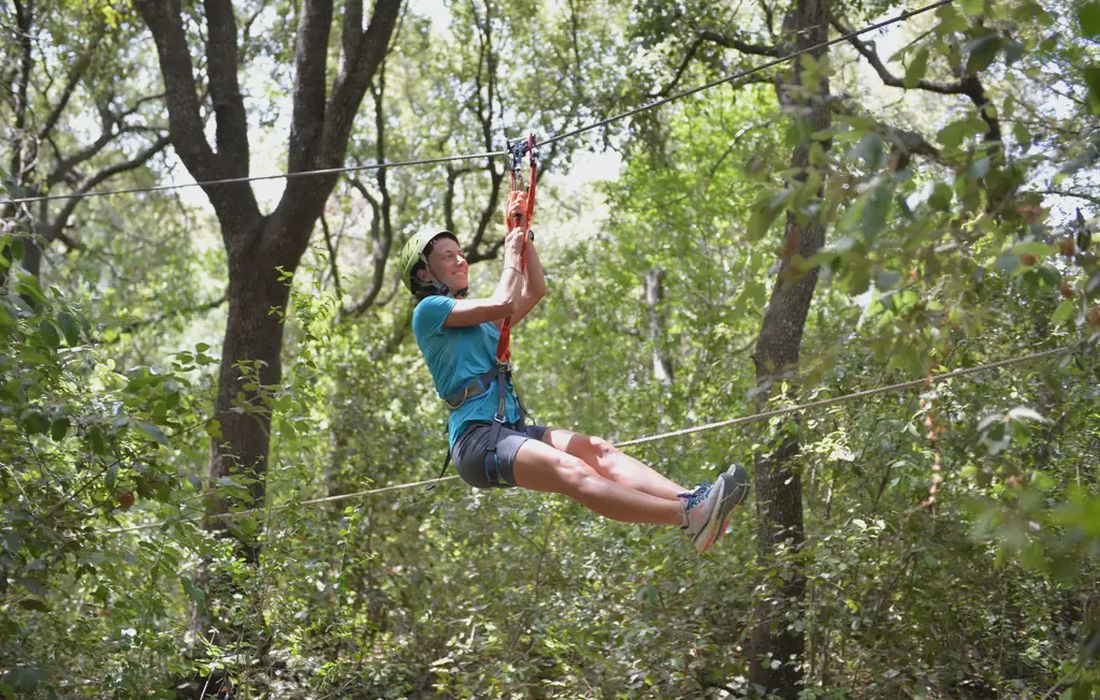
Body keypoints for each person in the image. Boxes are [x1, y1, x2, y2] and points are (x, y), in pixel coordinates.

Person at [398, 195, 749, 553]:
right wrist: (509, 252)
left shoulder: (485, 326)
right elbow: (505, 301)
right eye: (447, 256)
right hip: (476, 438)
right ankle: (687, 515)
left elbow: (536, 289)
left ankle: (697, 502)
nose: (460, 260)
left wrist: (522, 232)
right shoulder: (428, 311)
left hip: (508, 429)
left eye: (460, 253)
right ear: (424, 273)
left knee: (596, 450)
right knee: (573, 471)